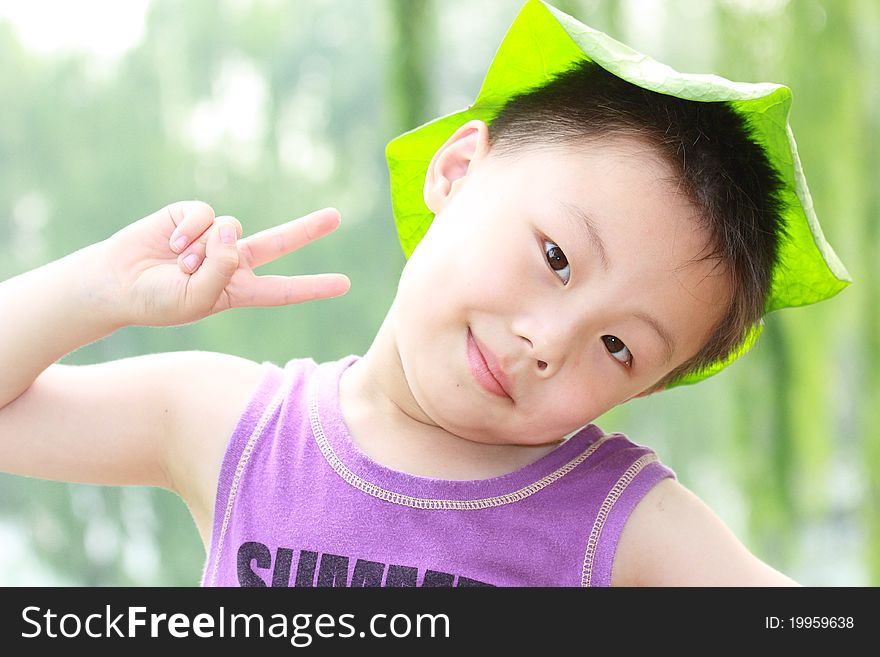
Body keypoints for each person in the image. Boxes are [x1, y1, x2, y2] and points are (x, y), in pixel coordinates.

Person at [0, 1, 850, 587]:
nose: (550, 340)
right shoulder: (234, 426)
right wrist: (96, 290)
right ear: (456, 169)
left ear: (647, 390)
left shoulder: (619, 520)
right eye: (556, 255)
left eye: (619, 347)